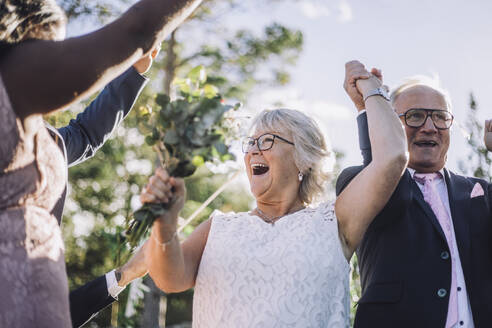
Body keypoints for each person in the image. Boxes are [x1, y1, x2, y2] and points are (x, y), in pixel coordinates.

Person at [142, 61, 407, 327]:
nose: (254, 150)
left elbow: (392, 157)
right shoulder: (218, 227)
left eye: (268, 140)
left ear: (303, 159)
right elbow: (169, 279)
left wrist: (369, 91)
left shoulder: (335, 222)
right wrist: (164, 225)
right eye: (251, 143)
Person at [0, 0, 203, 326]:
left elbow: (85, 133)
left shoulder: (38, 140)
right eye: (49, 52)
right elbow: (136, 27)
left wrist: (136, 72)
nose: (59, 64)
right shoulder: (7, 101)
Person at [338, 72, 492, 327]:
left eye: (440, 117)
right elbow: (389, 188)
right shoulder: (357, 181)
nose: (429, 127)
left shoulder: (481, 191)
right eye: (415, 116)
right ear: (390, 123)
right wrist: (371, 106)